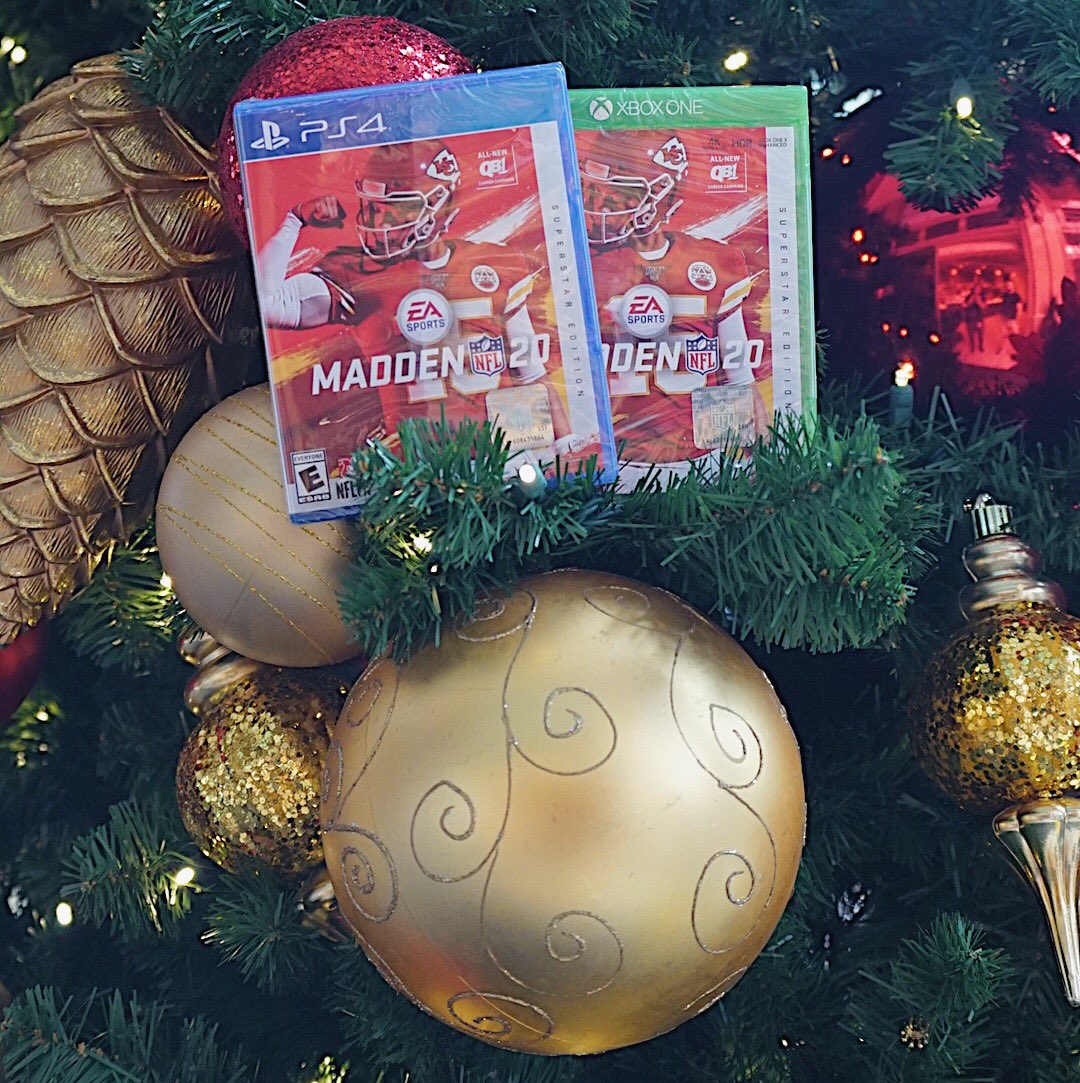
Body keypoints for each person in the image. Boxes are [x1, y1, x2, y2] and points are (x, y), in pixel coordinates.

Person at [256, 140, 579, 475]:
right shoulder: (359, 275)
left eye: (396, 209)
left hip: (502, 459)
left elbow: (531, 374)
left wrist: (565, 442)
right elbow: (268, 303)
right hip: (415, 472)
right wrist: (295, 220)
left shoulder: (493, 264)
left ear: (438, 206)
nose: (380, 222)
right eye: (374, 207)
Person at [581, 128, 769, 484]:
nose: (601, 207)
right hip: (618, 461)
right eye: (595, 191)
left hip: (707, 458)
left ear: (662, 194)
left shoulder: (713, 262)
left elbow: (738, 376)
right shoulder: (587, 267)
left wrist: (765, 466)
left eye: (619, 194)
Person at [963, 284, 985, 354]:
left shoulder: (982, 297)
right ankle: (972, 346)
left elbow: (983, 306)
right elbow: (965, 305)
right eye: (976, 289)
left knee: (980, 334)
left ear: (980, 290)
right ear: (973, 289)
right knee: (971, 335)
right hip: (970, 318)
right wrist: (972, 298)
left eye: (979, 289)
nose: (977, 290)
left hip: (979, 318)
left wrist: (978, 299)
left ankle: (981, 346)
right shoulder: (968, 296)